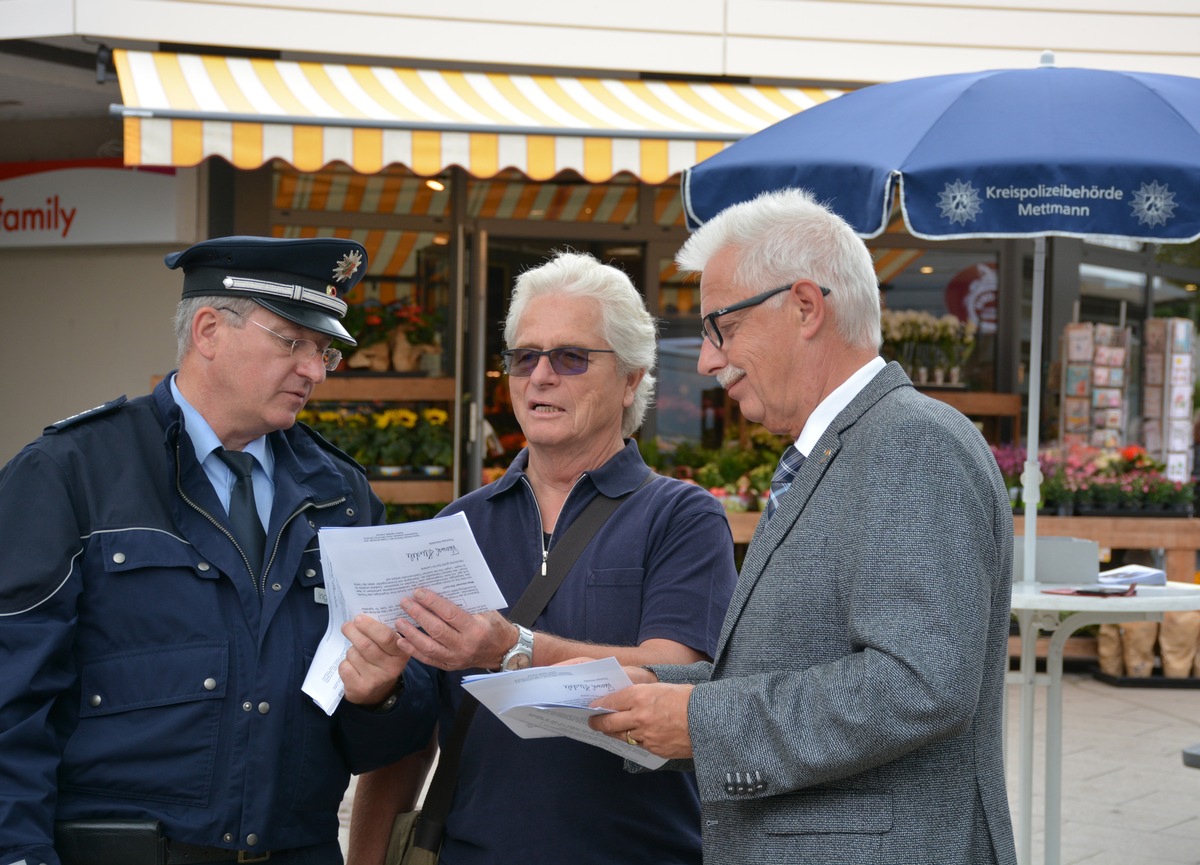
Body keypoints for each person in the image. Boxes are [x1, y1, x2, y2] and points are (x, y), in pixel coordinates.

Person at [590, 189, 1018, 865]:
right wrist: (660, 697)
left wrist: (701, 721)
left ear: (805, 307)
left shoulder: (912, 442)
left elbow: (919, 684)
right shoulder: (844, 448)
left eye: (719, 327)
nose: (706, 360)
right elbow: (802, 664)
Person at [0, 236, 435, 865]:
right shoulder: (69, 475)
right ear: (208, 330)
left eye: (323, 352)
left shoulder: (341, 496)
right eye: (292, 342)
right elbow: (12, 704)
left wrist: (382, 696)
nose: (313, 371)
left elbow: (378, 743)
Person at [348, 251, 738, 865]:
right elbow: (410, 743)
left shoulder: (681, 517)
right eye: (525, 357)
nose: (540, 377)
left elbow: (672, 674)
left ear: (632, 378)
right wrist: (378, 688)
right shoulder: (456, 525)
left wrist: (514, 650)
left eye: (570, 357)